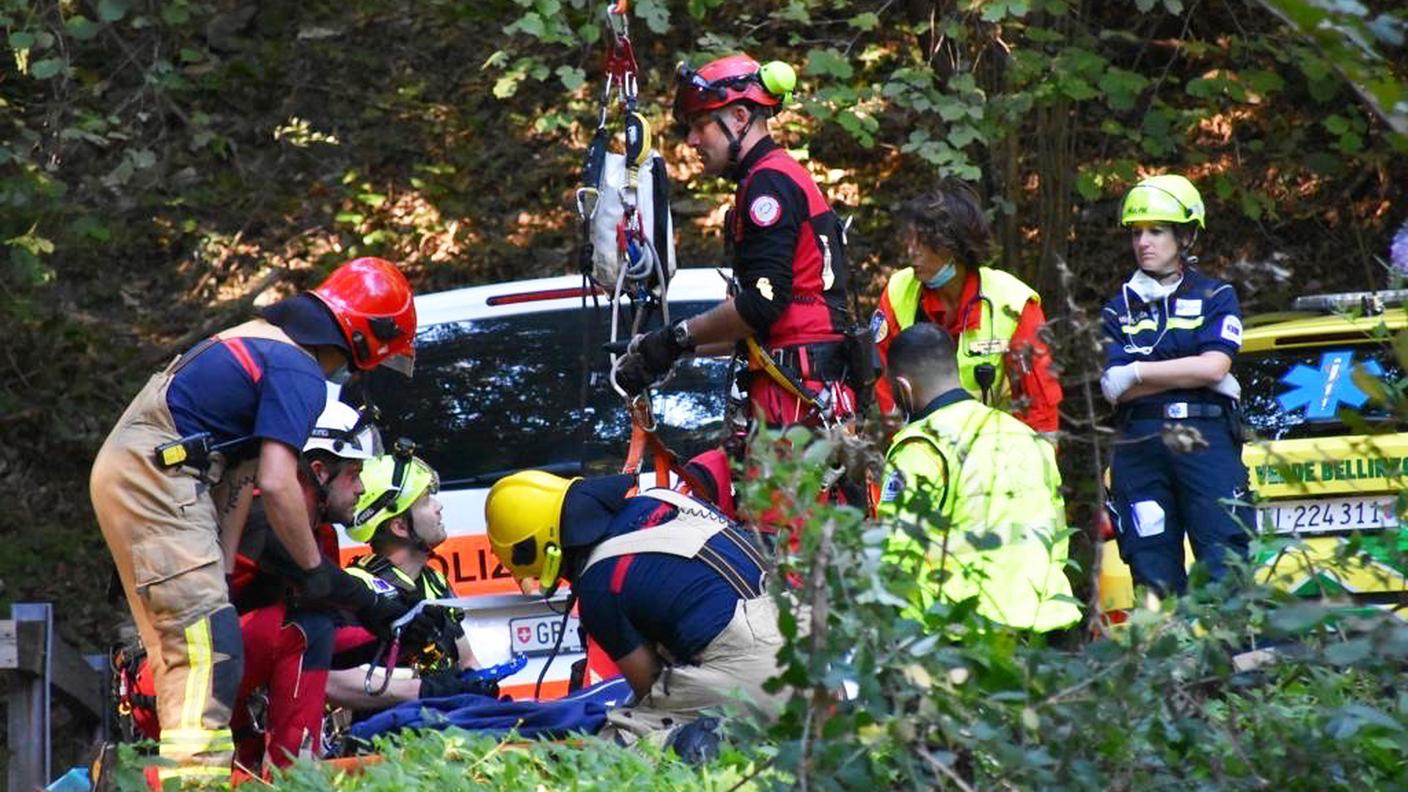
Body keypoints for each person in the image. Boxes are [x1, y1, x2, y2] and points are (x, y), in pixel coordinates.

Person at [89, 257, 415, 785]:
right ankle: (194, 781)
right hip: (158, 477)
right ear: (366, 337)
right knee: (204, 653)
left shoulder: (265, 343)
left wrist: (219, 576)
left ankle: (174, 777)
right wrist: (317, 572)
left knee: (197, 645)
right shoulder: (298, 371)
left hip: (157, 472)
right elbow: (278, 480)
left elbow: (238, 479)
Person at [617, 53, 856, 431]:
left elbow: (761, 306)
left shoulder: (769, 185)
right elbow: (759, 325)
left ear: (741, 118)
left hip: (796, 399)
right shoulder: (775, 176)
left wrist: (676, 337)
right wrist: (662, 348)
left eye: (700, 126)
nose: (692, 141)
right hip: (800, 389)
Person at [483, 470, 788, 745]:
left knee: (609, 747)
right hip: (805, 646)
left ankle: (708, 746)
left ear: (544, 553)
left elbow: (651, 689)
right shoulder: (662, 500)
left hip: (758, 676)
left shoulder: (599, 585)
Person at [1099, 174, 1252, 595]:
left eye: (1157, 231)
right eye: (1137, 232)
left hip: (1207, 441)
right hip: (1140, 446)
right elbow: (1114, 386)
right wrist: (1179, 371)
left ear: (1184, 236)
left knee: (1226, 558)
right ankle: (1168, 659)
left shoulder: (1216, 295)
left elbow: (1214, 367)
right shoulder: (1117, 308)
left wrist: (1140, 371)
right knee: (1151, 565)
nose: (1143, 242)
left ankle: (1232, 659)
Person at [877, 323, 1080, 634]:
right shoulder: (1024, 435)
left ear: (903, 387)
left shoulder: (920, 446)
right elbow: (1056, 536)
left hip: (961, 634)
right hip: (1044, 626)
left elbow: (897, 554)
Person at [872, 179, 1062, 434]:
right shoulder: (899, 292)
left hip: (996, 451)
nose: (911, 251)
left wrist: (1031, 465)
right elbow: (881, 384)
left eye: (924, 242)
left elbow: (1040, 408)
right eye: (910, 240)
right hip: (922, 449)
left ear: (956, 246)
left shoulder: (1013, 303)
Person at [331, 448, 488, 709]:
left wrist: (480, 687)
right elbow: (331, 680)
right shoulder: (356, 591)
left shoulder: (434, 582)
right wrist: (423, 691)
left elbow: (467, 660)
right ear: (400, 526)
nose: (439, 507)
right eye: (426, 500)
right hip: (382, 740)